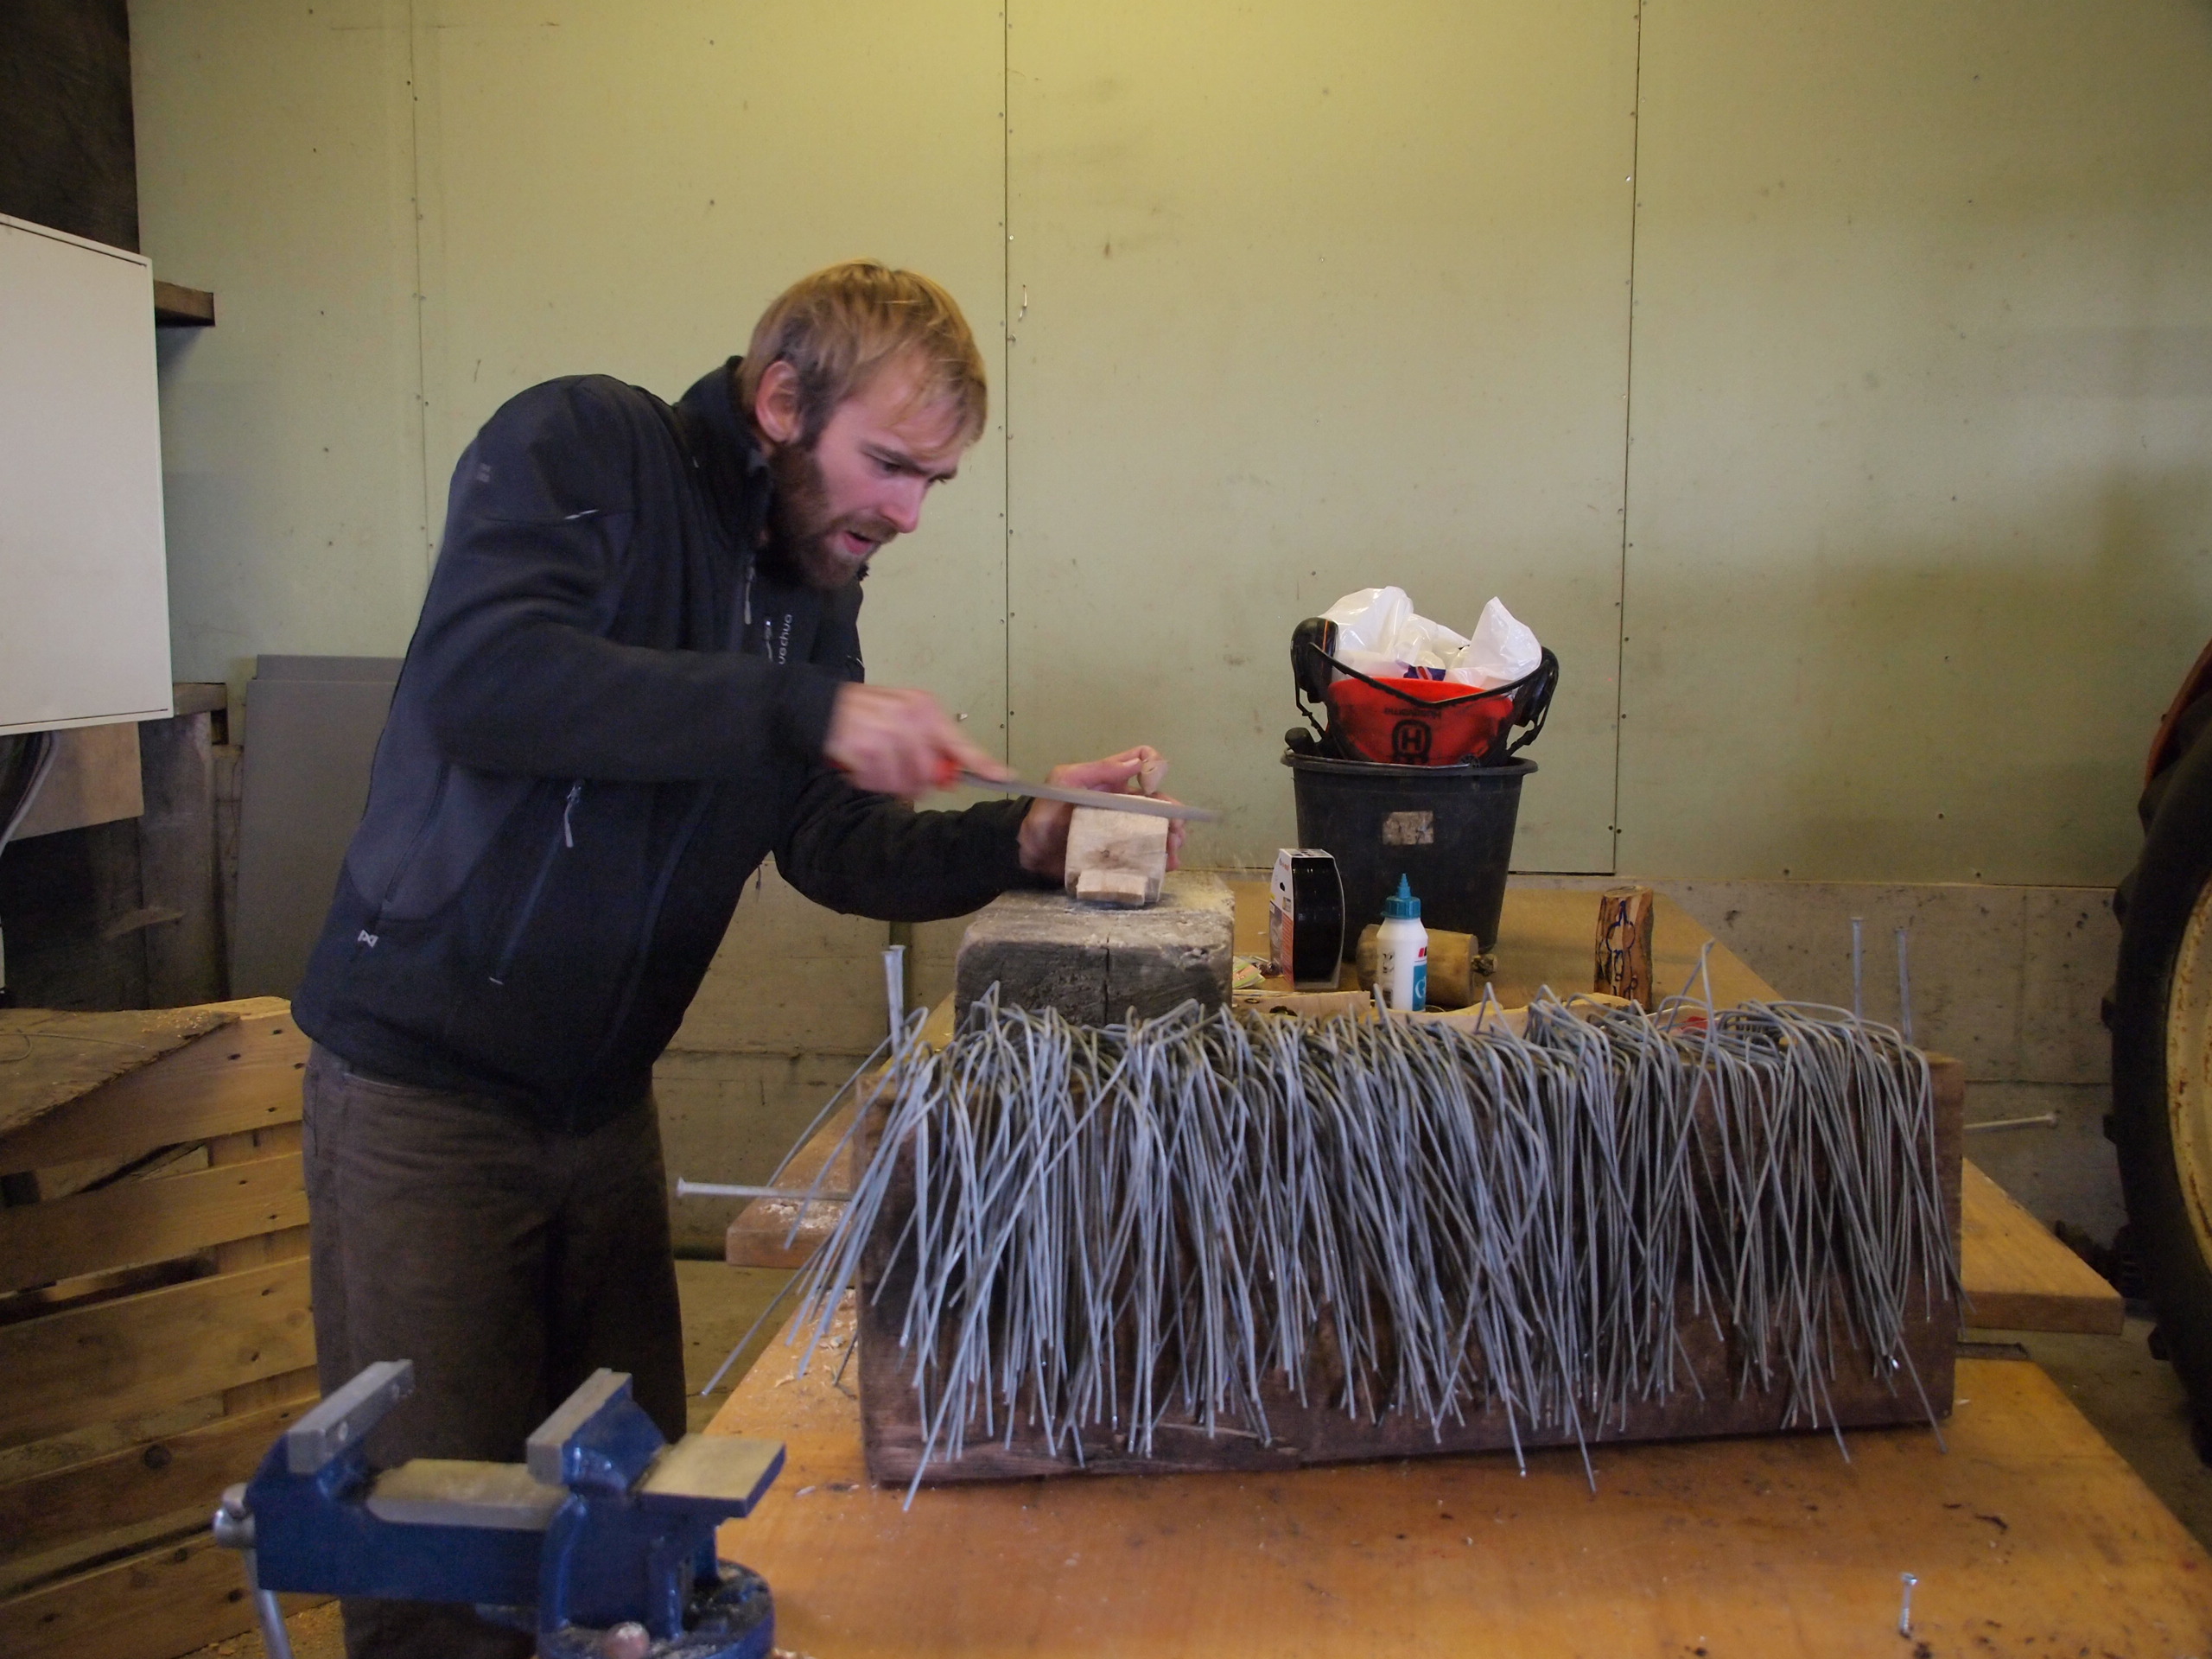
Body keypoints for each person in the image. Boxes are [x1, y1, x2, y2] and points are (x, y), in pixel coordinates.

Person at [289, 261, 1177, 1658]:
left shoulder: (808, 582)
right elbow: (485, 679)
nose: (907, 512)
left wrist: (1026, 834)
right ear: (779, 401)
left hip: (601, 1107)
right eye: (890, 464)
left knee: (633, 1540)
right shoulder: (587, 445)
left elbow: (830, 839)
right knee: (438, 1562)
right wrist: (800, 707)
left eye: (935, 482)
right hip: (425, 1103)